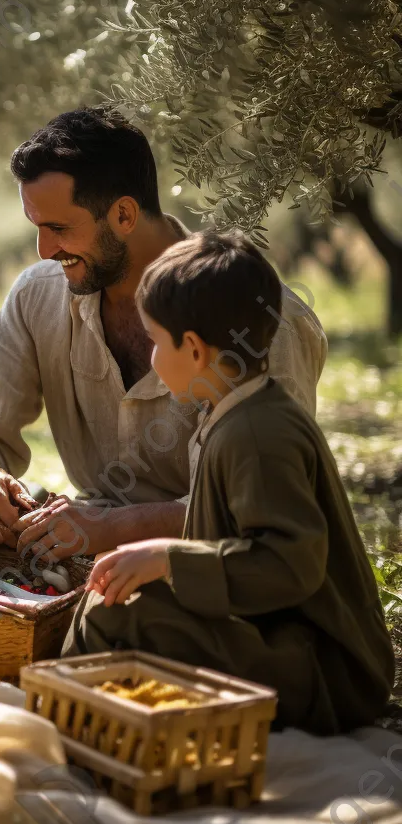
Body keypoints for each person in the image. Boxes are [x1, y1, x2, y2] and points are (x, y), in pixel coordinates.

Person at [0, 106, 327, 568]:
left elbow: (257, 508)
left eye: (58, 228)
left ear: (123, 214)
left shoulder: (266, 323)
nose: (44, 250)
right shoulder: (37, 296)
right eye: (37, 228)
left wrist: (112, 528)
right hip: (83, 552)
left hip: (215, 570)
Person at [67, 231, 393, 733]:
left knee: (120, 615)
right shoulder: (231, 411)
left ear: (195, 351)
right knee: (114, 597)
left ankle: (76, 721)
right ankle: (84, 710)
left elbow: (289, 564)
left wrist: (168, 559)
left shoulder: (259, 434)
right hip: (277, 634)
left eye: (156, 342)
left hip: (327, 667)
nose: (151, 357)